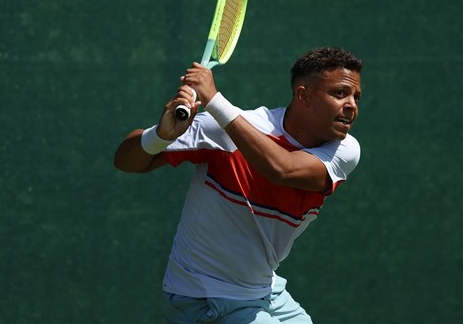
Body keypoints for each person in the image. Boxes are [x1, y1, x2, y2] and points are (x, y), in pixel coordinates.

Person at [114, 47, 364, 323]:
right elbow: (127, 161)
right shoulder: (219, 131)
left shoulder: (345, 149)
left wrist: (215, 102)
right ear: (303, 95)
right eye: (339, 93)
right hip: (200, 297)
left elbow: (282, 168)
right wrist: (160, 136)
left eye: (356, 96)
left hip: (263, 291)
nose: (351, 105)